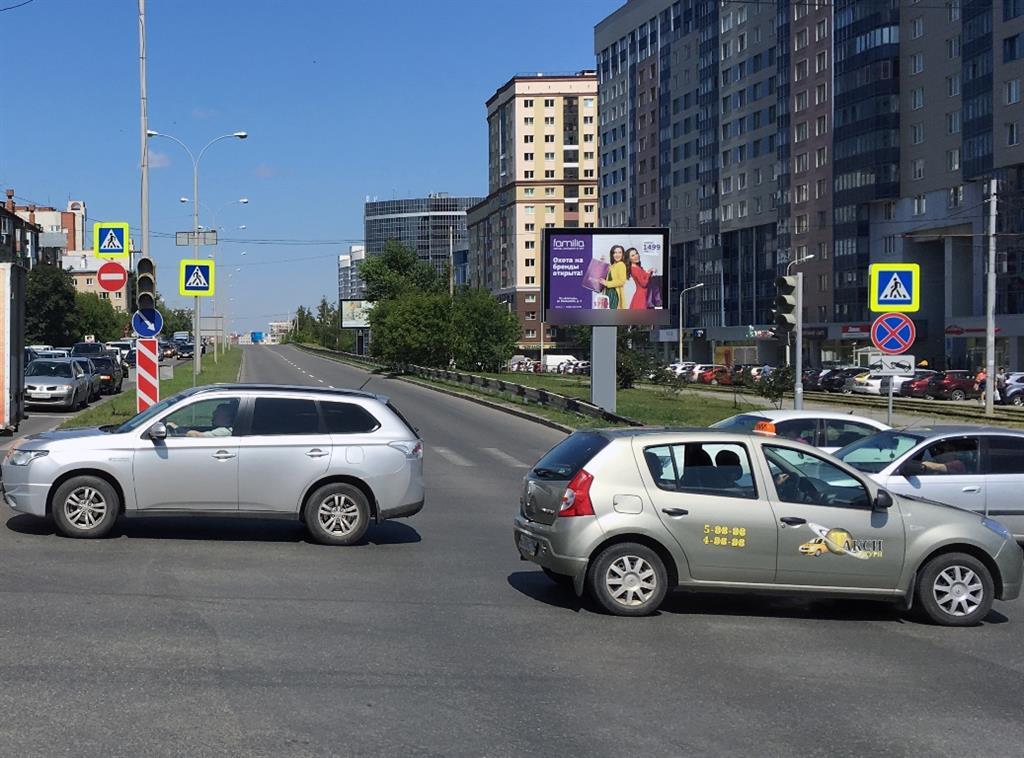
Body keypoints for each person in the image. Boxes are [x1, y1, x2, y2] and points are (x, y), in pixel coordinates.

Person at [168, 403, 236, 438]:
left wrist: (177, 428)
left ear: (227, 417)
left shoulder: (224, 431)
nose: (213, 414)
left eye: (217, 413)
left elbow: (197, 436)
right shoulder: (223, 429)